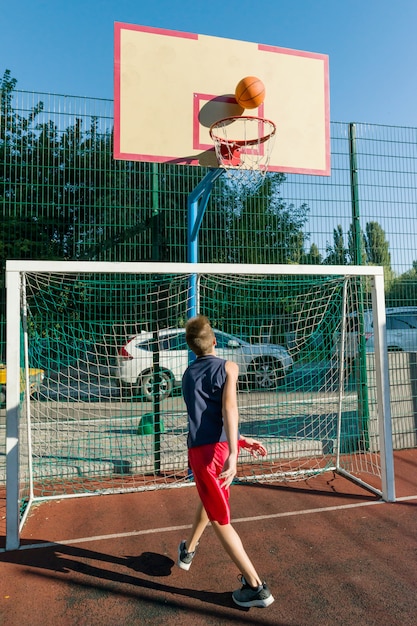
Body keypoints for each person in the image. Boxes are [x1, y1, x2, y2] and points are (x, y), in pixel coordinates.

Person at [177, 314, 274, 609]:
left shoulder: (187, 375)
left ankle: (256, 587)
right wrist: (237, 445)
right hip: (218, 450)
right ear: (215, 341)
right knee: (211, 501)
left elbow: (219, 413)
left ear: (191, 348)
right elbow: (226, 410)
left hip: (204, 454)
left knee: (220, 519)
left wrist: (236, 448)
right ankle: (188, 550)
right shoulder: (228, 367)